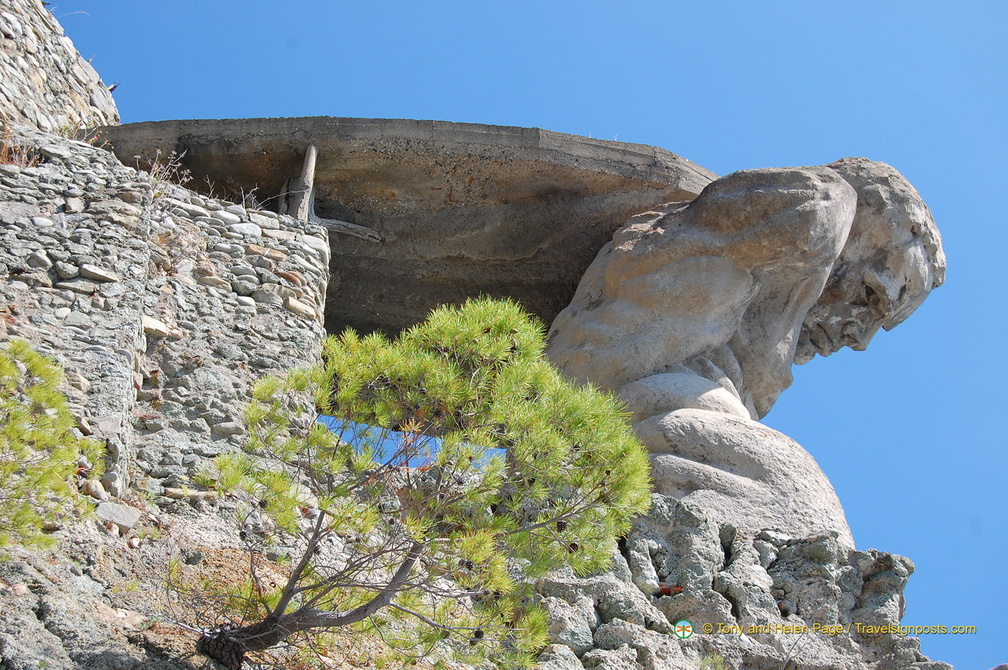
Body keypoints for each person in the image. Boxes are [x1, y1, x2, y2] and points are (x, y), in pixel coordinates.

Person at [545, 158, 945, 544]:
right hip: (626, 416)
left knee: (805, 509)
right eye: (870, 294)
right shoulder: (813, 204)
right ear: (851, 238)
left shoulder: (753, 317)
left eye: (880, 324)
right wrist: (842, 200)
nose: (861, 338)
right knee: (798, 501)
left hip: (643, 429)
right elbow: (815, 217)